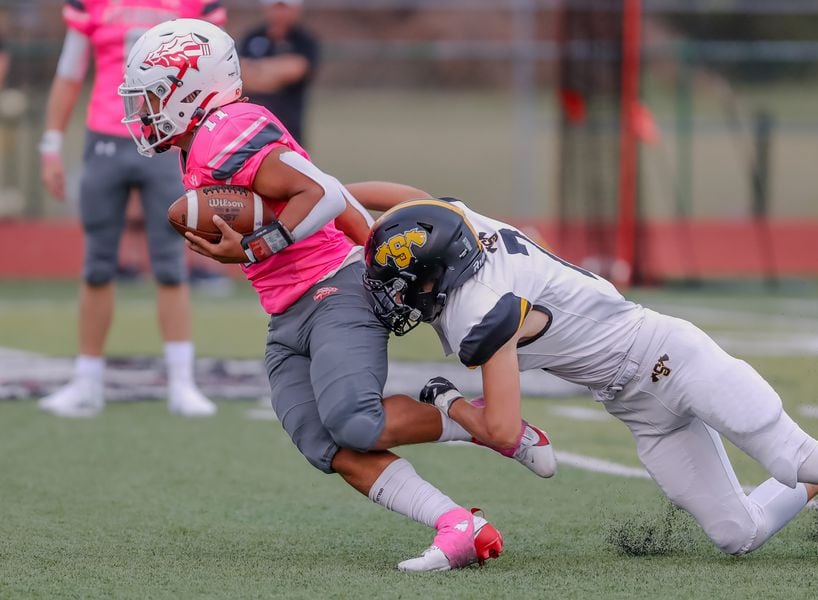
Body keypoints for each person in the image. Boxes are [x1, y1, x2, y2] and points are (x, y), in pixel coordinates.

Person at [118, 18, 555, 571]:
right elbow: (322, 196)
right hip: (285, 310)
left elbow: (322, 192)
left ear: (191, 87)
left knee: (355, 421)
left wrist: (257, 248)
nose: (146, 111)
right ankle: (458, 524)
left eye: (155, 95)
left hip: (333, 286)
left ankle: (477, 419)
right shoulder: (200, 145)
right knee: (321, 441)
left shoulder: (228, 129)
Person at [362, 197, 818, 556]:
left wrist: (448, 404)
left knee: (793, 456)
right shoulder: (462, 224)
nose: (398, 298)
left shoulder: (482, 306)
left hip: (670, 357)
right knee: (737, 535)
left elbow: (502, 428)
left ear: (439, 271)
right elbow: (402, 200)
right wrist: (335, 193)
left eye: (404, 284)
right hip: (634, 403)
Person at [36, 0, 224, 418]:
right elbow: (69, 72)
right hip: (106, 135)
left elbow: (217, 71)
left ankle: (181, 381)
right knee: (97, 263)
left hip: (168, 137)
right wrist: (50, 145)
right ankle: (87, 380)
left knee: (172, 261)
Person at [239, 0, 319, 144]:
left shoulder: (305, 41)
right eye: (276, 8)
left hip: (289, 128)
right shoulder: (252, 36)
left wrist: (257, 69)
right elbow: (243, 77)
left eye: (285, 9)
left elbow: (296, 70)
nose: (280, 14)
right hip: (251, 127)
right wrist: (277, 72)